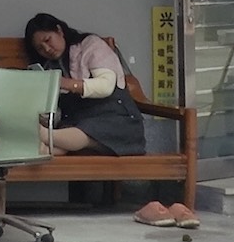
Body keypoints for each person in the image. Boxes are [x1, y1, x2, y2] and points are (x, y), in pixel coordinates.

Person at [22, 13, 147, 157]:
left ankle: (44, 136)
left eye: (48, 40)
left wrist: (65, 83)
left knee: (87, 131)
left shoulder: (90, 45)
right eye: (40, 48)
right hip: (78, 120)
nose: (47, 49)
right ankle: (45, 147)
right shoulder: (49, 66)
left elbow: (106, 86)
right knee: (71, 131)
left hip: (117, 120)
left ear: (59, 30)